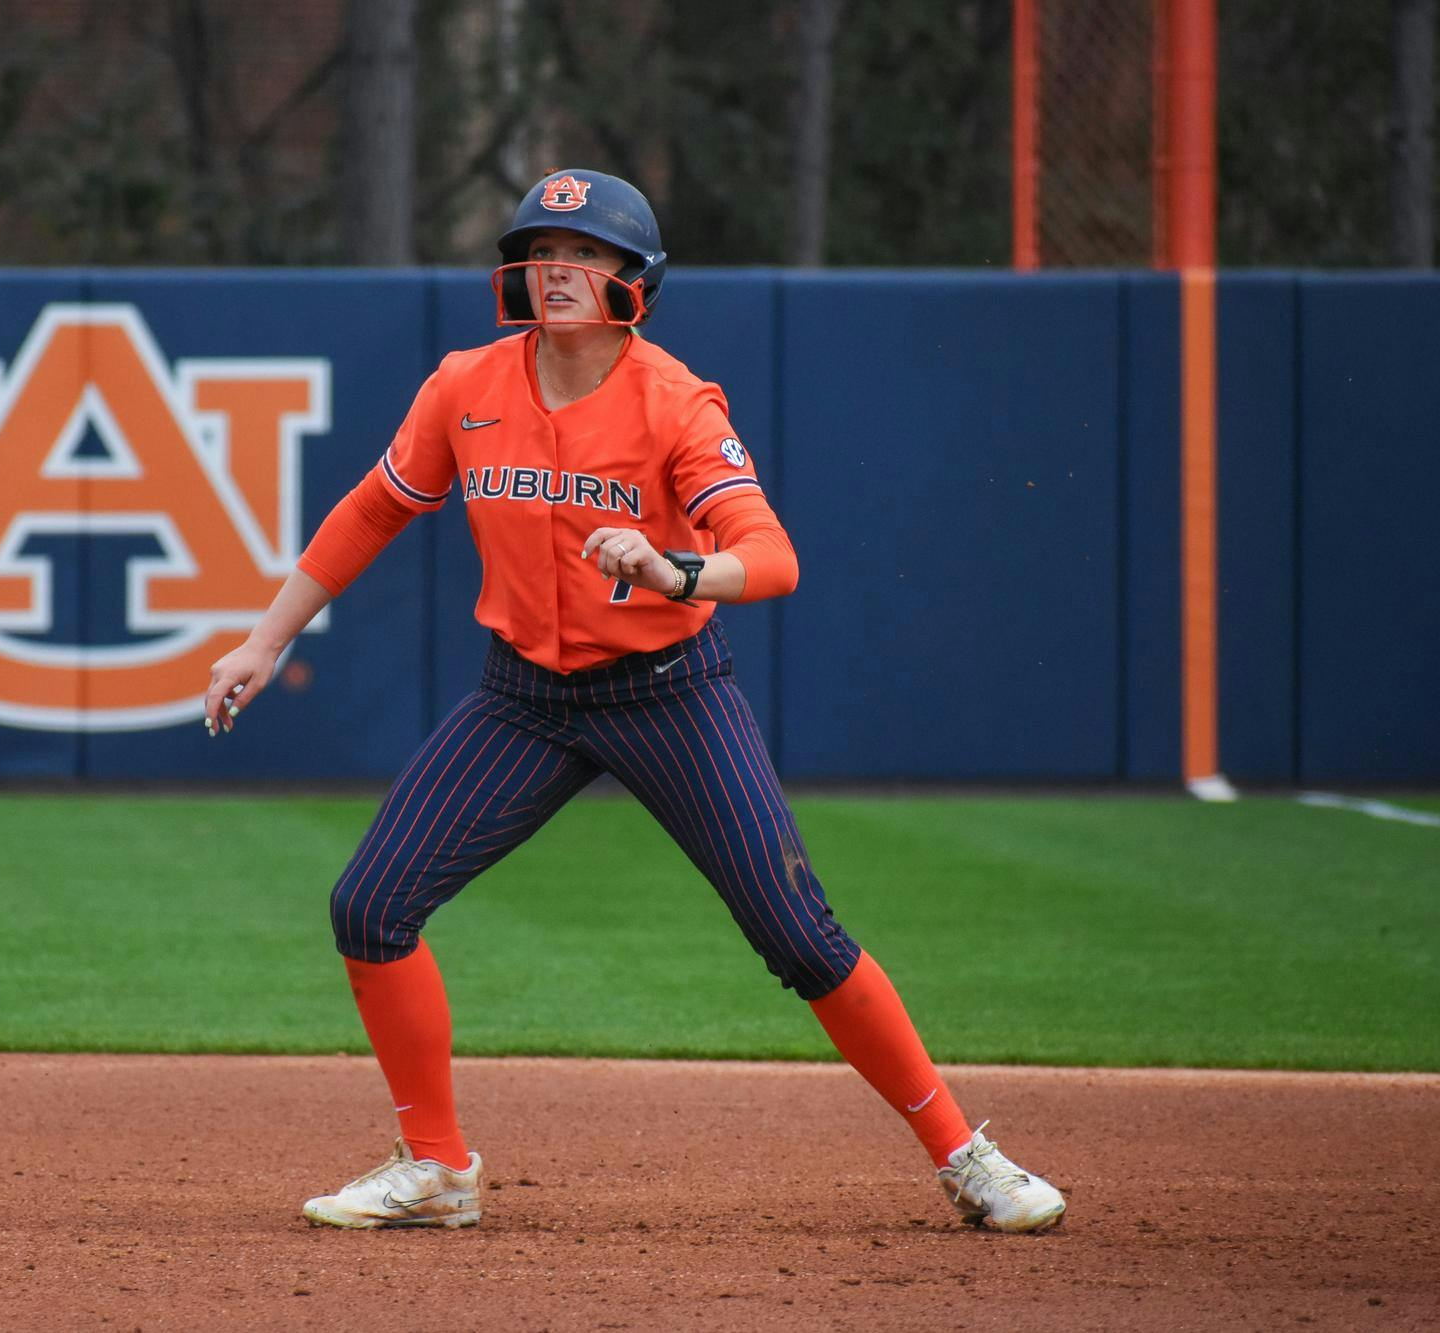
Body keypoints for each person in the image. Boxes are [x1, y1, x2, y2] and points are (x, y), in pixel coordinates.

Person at [203, 168, 1066, 1235]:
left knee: (799, 937)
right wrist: (264, 636)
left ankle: (963, 1153)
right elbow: (375, 507)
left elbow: (772, 556)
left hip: (665, 691)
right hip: (522, 698)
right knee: (368, 907)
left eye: (589, 253)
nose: (558, 268)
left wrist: (676, 571)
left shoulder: (674, 401)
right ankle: (435, 1167)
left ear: (633, 280)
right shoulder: (464, 385)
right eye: (541, 249)